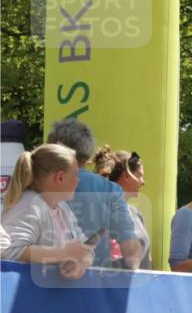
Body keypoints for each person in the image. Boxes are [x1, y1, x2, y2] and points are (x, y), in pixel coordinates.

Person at [46, 119, 142, 269]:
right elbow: (131, 252)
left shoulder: (39, 185)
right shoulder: (111, 191)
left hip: (42, 282)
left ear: (56, 148)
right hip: (95, 285)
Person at [1, 143, 94, 278]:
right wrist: (63, 253)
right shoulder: (29, 204)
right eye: (75, 174)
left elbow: (85, 248)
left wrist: (81, 263)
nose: (78, 180)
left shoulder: (62, 207)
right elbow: (10, 253)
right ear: (60, 177)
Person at [104, 149, 153, 269]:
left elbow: (147, 257)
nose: (143, 182)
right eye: (139, 176)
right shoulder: (104, 212)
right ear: (126, 175)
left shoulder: (135, 213)